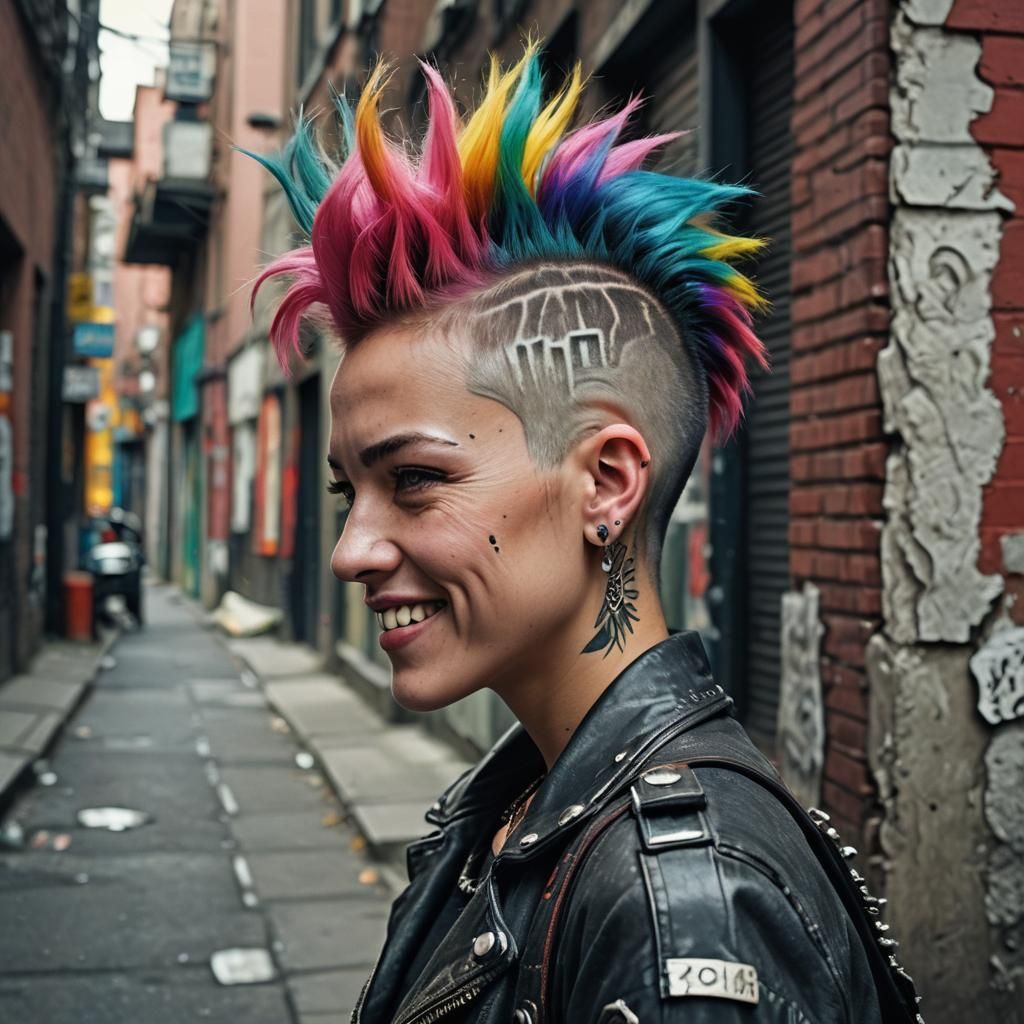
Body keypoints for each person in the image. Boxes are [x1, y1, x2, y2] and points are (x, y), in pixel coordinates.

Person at [252, 45, 921, 1024]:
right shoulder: (525, 800)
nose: (352, 550)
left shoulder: (682, 919)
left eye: (415, 481)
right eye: (347, 490)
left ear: (607, 482)